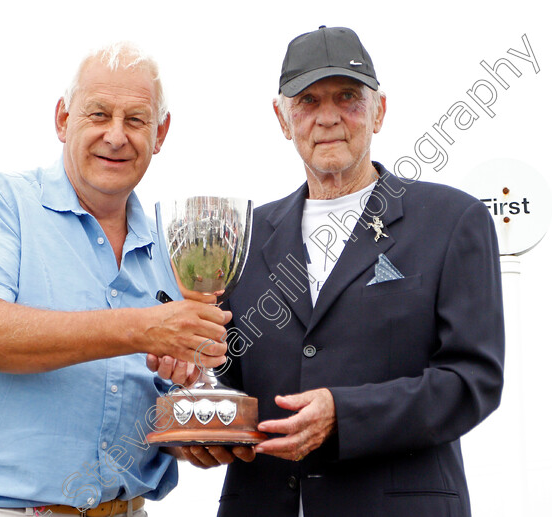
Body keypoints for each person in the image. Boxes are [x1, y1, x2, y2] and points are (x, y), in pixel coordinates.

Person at [172, 26, 505, 516]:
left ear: (379, 110)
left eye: (347, 97)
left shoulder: (452, 220)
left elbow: (472, 380)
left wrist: (344, 416)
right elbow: (227, 370)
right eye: (307, 100)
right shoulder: (243, 234)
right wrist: (201, 418)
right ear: (283, 119)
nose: (328, 117)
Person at [0, 42, 231, 516]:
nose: (115, 136)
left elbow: (152, 404)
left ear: (161, 132)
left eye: (135, 120)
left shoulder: (172, 254)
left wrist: (188, 429)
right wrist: (143, 328)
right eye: (99, 114)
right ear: (63, 119)